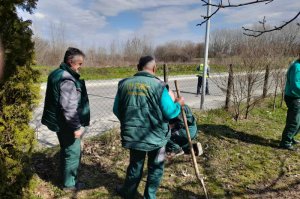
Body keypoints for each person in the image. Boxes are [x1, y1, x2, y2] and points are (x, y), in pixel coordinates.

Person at [113, 55, 184, 199]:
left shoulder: (124, 84)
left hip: (134, 137)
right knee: (156, 167)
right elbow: (170, 112)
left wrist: (130, 124)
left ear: (137, 67)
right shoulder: (159, 86)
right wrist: (179, 104)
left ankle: (128, 192)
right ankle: (149, 196)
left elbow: (116, 109)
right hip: (158, 138)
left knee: (135, 166)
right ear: (155, 69)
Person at [41, 47, 90, 190]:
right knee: (73, 153)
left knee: (66, 150)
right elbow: (69, 108)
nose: (80, 67)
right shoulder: (67, 79)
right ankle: (69, 184)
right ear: (70, 62)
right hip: (67, 124)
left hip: (59, 122)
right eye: (79, 64)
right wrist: (76, 128)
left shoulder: (56, 73)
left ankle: (63, 177)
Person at [166, 90, 202, 157]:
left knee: (163, 133)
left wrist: (169, 127)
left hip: (186, 130)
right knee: (178, 138)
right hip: (192, 129)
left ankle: (175, 149)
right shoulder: (181, 104)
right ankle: (190, 148)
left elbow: (180, 123)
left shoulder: (176, 107)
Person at [280, 56, 300, 150]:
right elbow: (295, 85)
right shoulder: (296, 67)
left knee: (298, 120)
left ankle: (291, 137)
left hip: (297, 96)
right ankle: (285, 142)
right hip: (293, 97)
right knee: (294, 121)